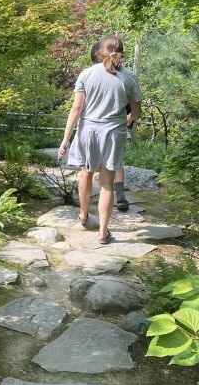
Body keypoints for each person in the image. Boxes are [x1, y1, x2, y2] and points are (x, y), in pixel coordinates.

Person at [58, 36, 141, 244]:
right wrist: (127, 121)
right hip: (114, 133)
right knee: (107, 184)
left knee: (85, 173)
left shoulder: (87, 74)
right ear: (121, 52)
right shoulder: (130, 77)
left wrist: (65, 139)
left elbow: (76, 109)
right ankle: (103, 233)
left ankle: (84, 215)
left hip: (89, 131)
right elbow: (136, 111)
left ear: (99, 52)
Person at [89, 40, 133, 212]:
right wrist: (129, 120)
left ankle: (98, 202)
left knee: (98, 163)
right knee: (116, 160)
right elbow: (134, 104)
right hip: (120, 120)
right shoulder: (127, 75)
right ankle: (120, 196)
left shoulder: (92, 74)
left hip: (100, 122)